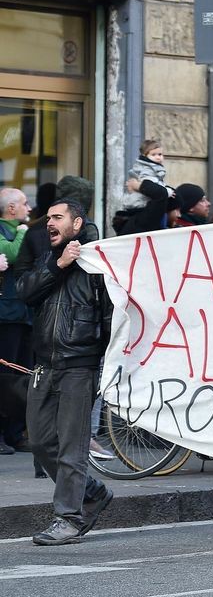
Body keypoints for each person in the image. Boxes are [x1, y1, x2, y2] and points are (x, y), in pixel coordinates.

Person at [17, 199, 114, 545]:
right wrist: (59, 265)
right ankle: (91, 492)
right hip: (45, 365)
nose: (49, 223)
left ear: (77, 223)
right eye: (48, 219)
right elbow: (25, 292)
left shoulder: (98, 265)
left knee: (72, 447)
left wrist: (105, 366)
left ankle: (69, 518)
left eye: (58, 218)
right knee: (41, 443)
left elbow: (110, 320)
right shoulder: (50, 260)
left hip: (80, 366)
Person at [0, 187, 32, 455]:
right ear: (11, 208)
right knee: (4, 376)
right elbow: (11, 255)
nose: (29, 208)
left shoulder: (24, 230)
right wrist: (22, 233)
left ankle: (16, 432)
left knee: (21, 376)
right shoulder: (5, 231)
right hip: (5, 314)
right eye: (24, 203)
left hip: (23, 313)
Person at [118, 139, 170, 213]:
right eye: (153, 155)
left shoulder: (155, 167)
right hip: (140, 203)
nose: (158, 157)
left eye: (160, 154)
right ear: (144, 155)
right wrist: (167, 191)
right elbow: (149, 184)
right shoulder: (147, 168)